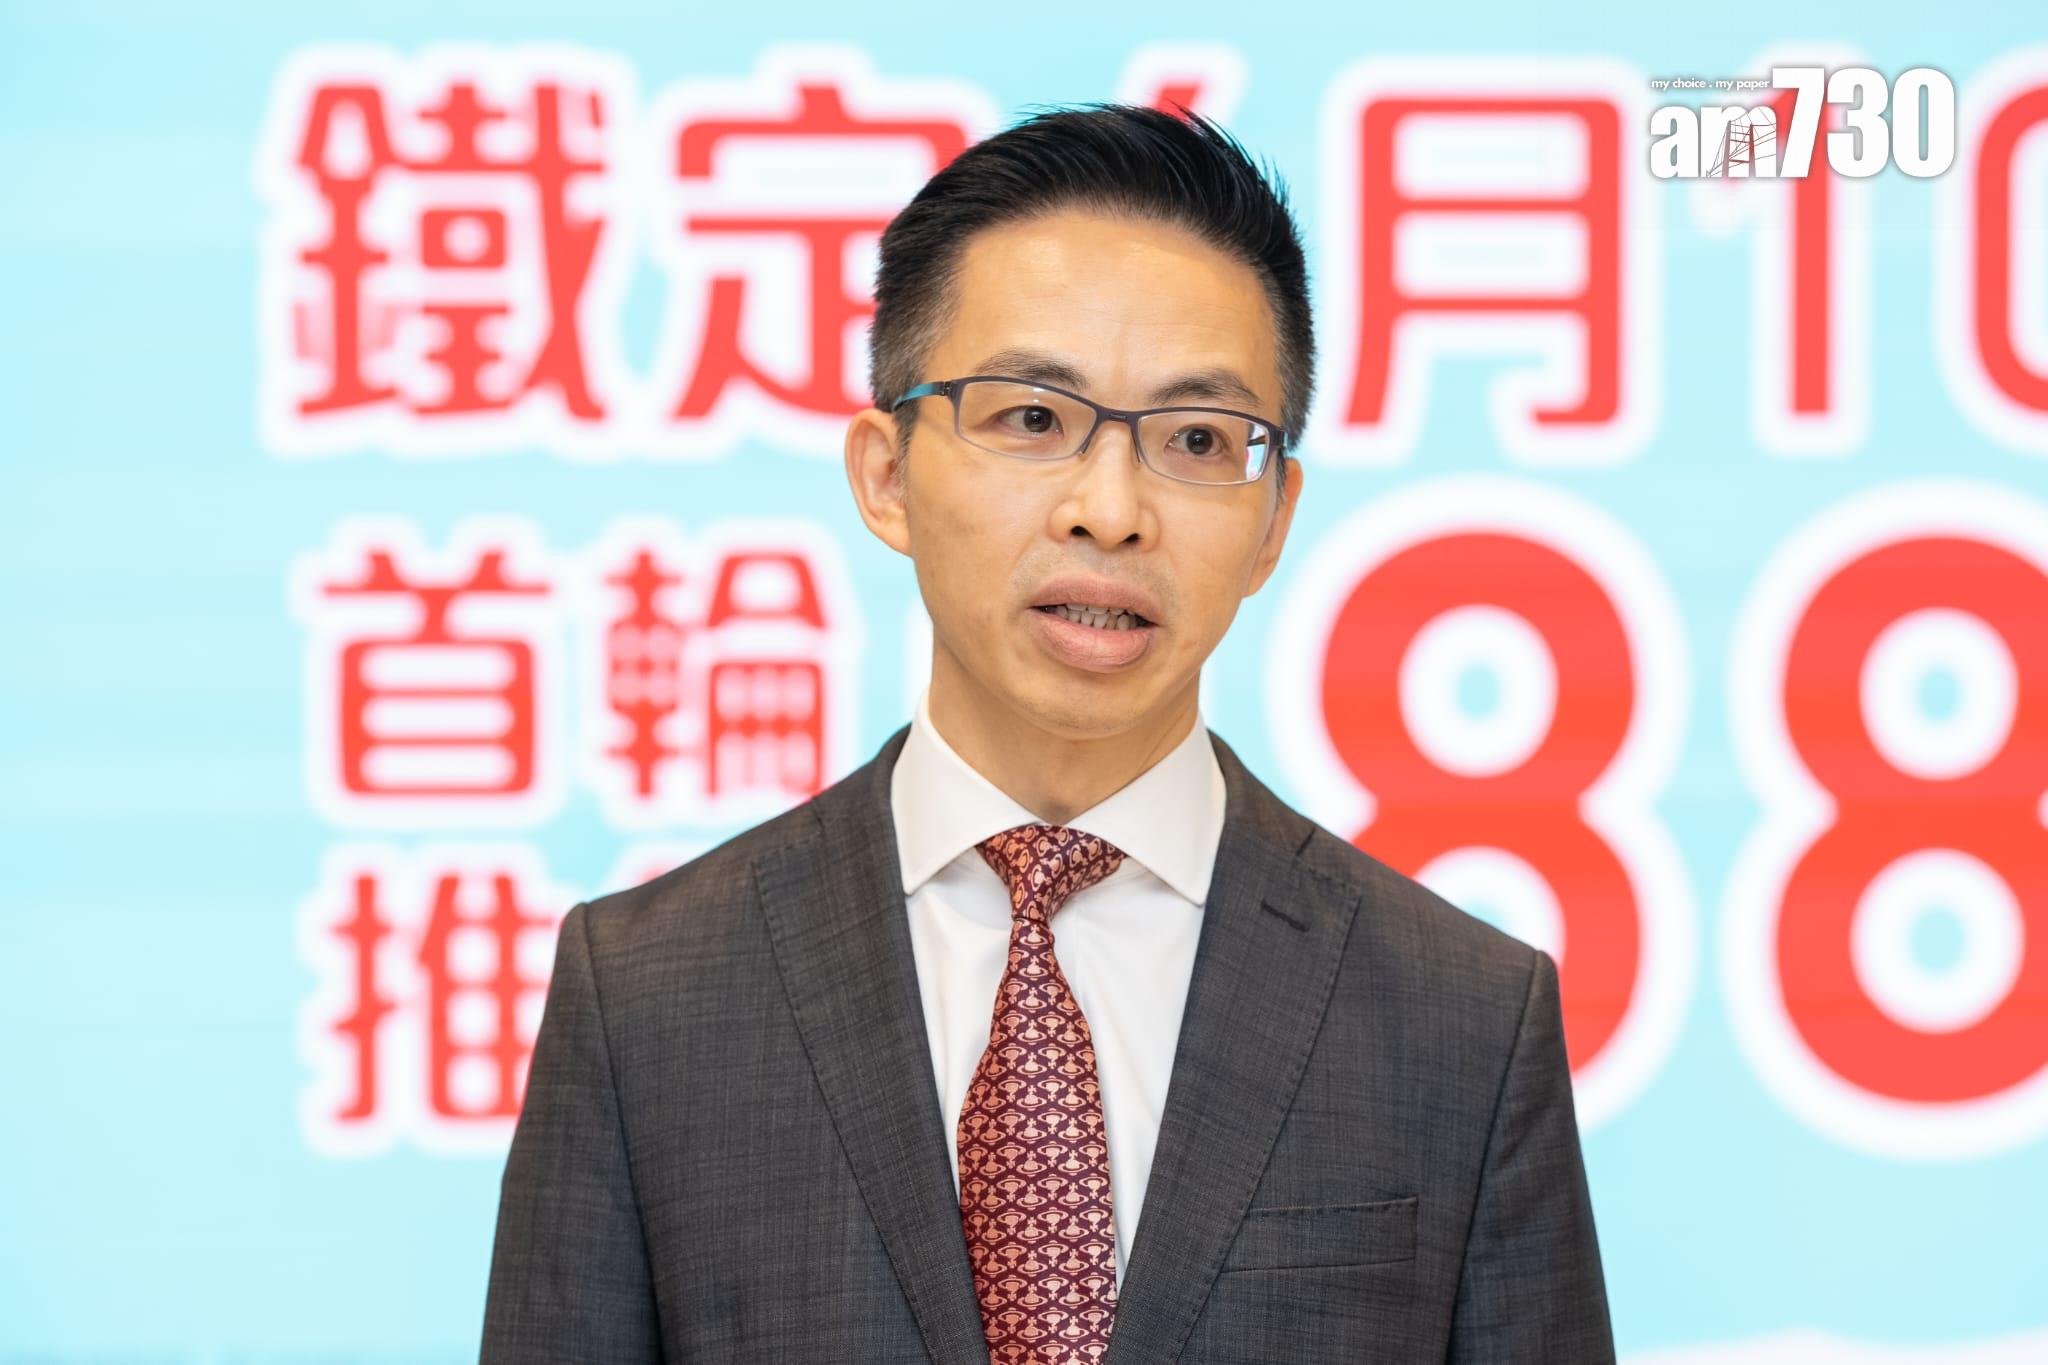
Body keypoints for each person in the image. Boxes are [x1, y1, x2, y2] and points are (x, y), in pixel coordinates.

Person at [480, 102, 1615, 1364]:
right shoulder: (647, 994)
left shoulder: (1462, 1018)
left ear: (1273, 520)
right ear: (886, 475)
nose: (1109, 510)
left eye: (1197, 440)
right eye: (1030, 418)